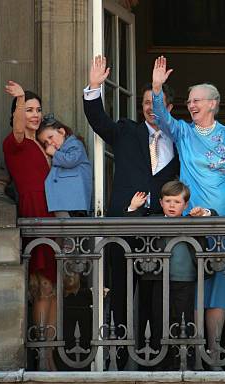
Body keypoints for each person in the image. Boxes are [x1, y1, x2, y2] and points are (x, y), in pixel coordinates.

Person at [83, 56, 180, 367]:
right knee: (124, 294)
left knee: (157, 297)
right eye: (146, 102)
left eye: (157, 101)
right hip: (125, 223)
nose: (151, 107)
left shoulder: (179, 140)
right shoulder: (126, 131)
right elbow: (98, 120)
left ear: (169, 107)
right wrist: (95, 86)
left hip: (161, 229)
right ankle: (123, 354)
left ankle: (158, 354)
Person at [151, 56, 225, 364]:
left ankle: (215, 348)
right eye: (189, 101)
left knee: (219, 283)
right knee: (193, 281)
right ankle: (194, 347)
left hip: (223, 221)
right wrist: (157, 86)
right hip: (191, 221)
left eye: (196, 101)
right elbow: (162, 117)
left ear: (213, 104)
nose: (191, 105)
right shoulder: (184, 132)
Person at [125, 181, 215, 369]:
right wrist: (133, 207)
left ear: (186, 204)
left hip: (187, 281)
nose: (172, 205)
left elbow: (214, 217)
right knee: (159, 321)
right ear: (161, 202)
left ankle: (186, 363)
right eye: (168, 201)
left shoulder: (192, 220)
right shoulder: (155, 220)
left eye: (176, 201)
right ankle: (161, 364)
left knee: (185, 322)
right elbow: (132, 227)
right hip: (159, 280)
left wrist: (204, 213)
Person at [2, 81, 57, 370]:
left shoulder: (41, 144)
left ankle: (51, 353)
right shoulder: (15, 144)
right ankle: (41, 357)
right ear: (17, 115)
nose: (33, 114)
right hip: (35, 216)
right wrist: (20, 98)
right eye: (27, 110)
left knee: (54, 289)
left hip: (51, 218)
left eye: (37, 110)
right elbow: (18, 130)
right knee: (42, 288)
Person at [37, 115, 92, 219]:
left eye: (50, 137)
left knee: (75, 228)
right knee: (65, 228)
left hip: (76, 201)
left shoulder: (75, 144)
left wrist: (54, 153)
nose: (50, 144)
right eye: (45, 143)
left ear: (62, 132)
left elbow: (70, 160)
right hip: (63, 202)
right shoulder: (59, 153)